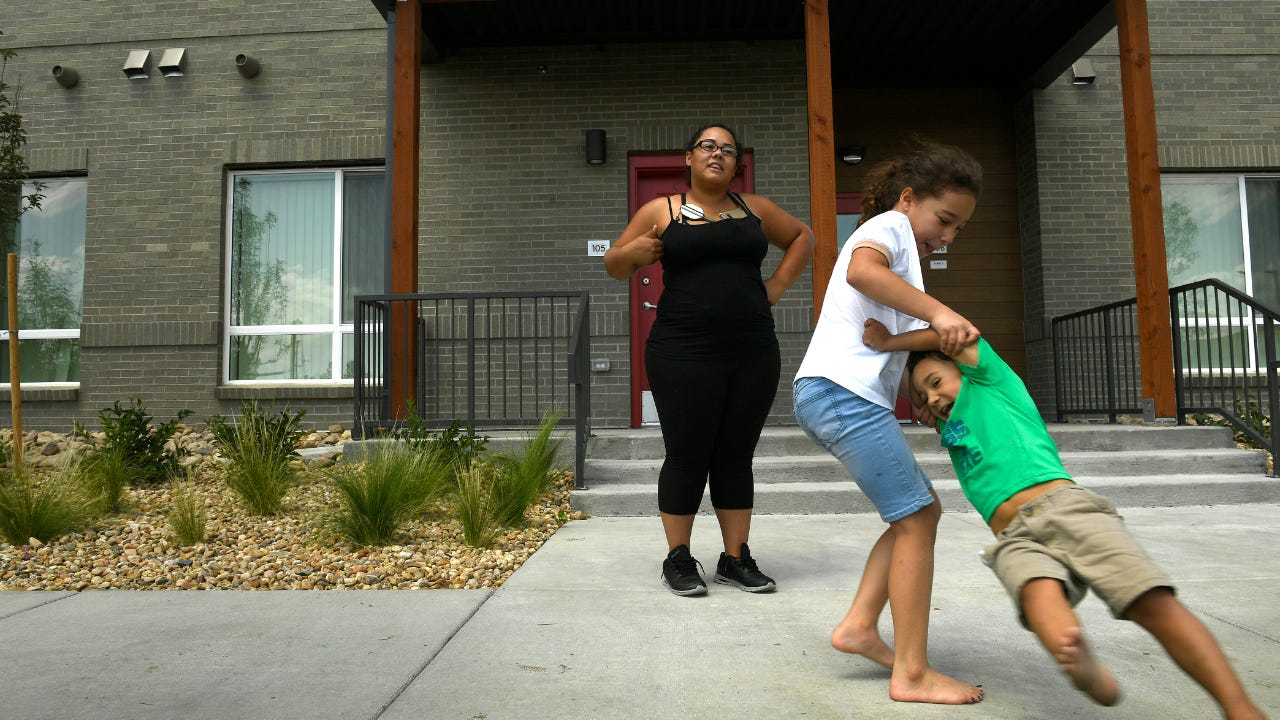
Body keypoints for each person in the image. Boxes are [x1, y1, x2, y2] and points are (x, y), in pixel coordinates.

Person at [862, 322, 1268, 720]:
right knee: (1037, 594)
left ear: (963, 365)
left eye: (936, 382)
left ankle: (1238, 706)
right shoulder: (953, 426)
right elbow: (931, 402)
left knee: (1148, 599)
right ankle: (1077, 658)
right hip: (1014, 537)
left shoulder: (992, 381)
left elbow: (951, 332)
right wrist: (923, 397)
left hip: (1064, 508)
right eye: (922, 396)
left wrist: (889, 341)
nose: (931, 398)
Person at [791, 141, 985, 704]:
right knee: (920, 517)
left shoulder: (909, 255)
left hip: (841, 393)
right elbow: (861, 274)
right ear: (909, 198)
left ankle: (859, 628)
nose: (947, 236)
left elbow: (882, 339)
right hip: (838, 393)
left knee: (917, 514)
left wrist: (914, 391)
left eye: (959, 229)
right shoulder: (890, 228)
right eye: (944, 219)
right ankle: (912, 673)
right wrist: (939, 312)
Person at [603, 123, 814, 597]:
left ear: (737, 164)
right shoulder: (661, 210)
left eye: (728, 149)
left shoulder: (754, 210)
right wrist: (632, 251)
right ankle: (678, 559)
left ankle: (735, 558)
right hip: (682, 351)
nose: (717, 153)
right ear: (689, 158)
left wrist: (776, 288)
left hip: (752, 350)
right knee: (687, 454)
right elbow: (615, 264)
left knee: (736, 455)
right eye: (707, 146)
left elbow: (802, 237)